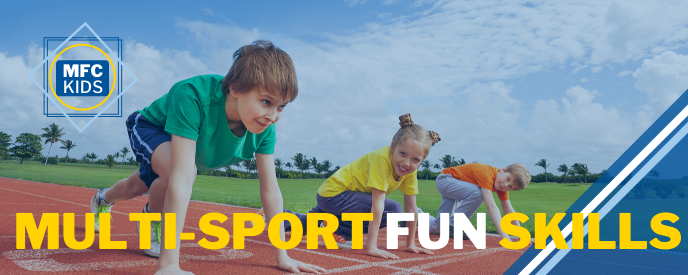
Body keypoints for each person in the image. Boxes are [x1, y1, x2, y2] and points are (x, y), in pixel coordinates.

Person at [89, 40, 326, 275]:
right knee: (178, 173)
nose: (272, 116)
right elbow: (181, 179)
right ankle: (154, 221)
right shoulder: (192, 97)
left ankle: (103, 199)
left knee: (135, 186)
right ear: (234, 88)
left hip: (182, 157)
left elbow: (271, 190)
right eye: (266, 101)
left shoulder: (265, 128)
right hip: (152, 127)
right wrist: (169, 265)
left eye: (282, 107)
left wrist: (282, 255)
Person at [269, 113, 438, 259]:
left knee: (314, 221)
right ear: (393, 146)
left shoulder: (410, 172)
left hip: (342, 197)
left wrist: (411, 244)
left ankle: (278, 218)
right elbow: (377, 205)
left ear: (422, 160)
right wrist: (371, 247)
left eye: (416, 159)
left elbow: (412, 209)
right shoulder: (381, 160)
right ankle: (341, 231)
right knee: (393, 209)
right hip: (335, 194)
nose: (407, 163)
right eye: (403, 153)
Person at [425, 162, 530, 240]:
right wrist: (504, 236)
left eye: (510, 186)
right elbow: (491, 206)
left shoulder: (501, 186)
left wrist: (521, 234)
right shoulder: (487, 174)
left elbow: (508, 210)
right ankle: (454, 225)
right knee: (479, 193)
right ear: (502, 170)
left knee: (439, 228)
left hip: (456, 187)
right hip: (446, 180)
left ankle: (414, 213)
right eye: (507, 179)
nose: (506, 185)